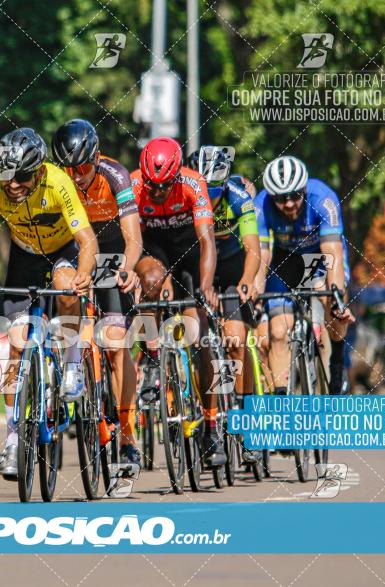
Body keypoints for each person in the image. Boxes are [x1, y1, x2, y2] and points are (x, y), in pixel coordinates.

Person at [0, 128, 98, 479]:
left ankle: (72, 364)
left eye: (22, 177)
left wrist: (84, 274)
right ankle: (12, 438)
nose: (14, 185)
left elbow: (87, 240)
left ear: (39, 171)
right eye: (9, 176)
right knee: (16, 344)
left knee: (66, 286)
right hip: (24, 257)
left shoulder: (58, 182)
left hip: (62, 252)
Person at [52, 118, 143, 468]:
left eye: (84, 167)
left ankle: (127, 434)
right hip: (73, 249)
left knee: (118, 343)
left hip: (111, 253)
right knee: (64, 291)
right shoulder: (59, 181)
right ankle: (71, 361)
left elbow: (133, 238)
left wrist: (127, 267)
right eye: (69, 169)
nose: (76, 176)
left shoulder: (115, 175)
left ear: (97, 157)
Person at [131, 137, 225, 467]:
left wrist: (205, 286)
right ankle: (155, 357)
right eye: (151, 185)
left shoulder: (192, 182)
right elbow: (129, 237)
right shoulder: (133, 184)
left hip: (189, 249)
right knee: (150, 284)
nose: (156, 192)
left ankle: (211, 425)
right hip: (153, 248)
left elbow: (206, 239)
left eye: (164, 186)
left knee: (198, 338)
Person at [255, 155, 355, 398]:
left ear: (304, 189)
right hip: (285, 260)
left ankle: (337, 365)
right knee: (278, 332)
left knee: (331, 303)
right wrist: (256, 294)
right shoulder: (260, 205)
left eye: (294, 196)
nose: (288, 204)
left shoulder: (323, 199)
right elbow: (261, 256)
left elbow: (331, 251)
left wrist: (337, 297)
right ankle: (280, 405)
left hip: (319, 258)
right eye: (280, 198)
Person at [189, 146, 262, 463]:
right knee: (199, 340)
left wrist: (247, 280)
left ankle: (247, 422)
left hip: (232, 270)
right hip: (200, 269)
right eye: (205, 190)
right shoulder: (186, 196)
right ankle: (209, 420)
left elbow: (253, 249)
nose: (210, 197)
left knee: (235, 340)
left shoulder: (237, 195)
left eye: (214, 190)